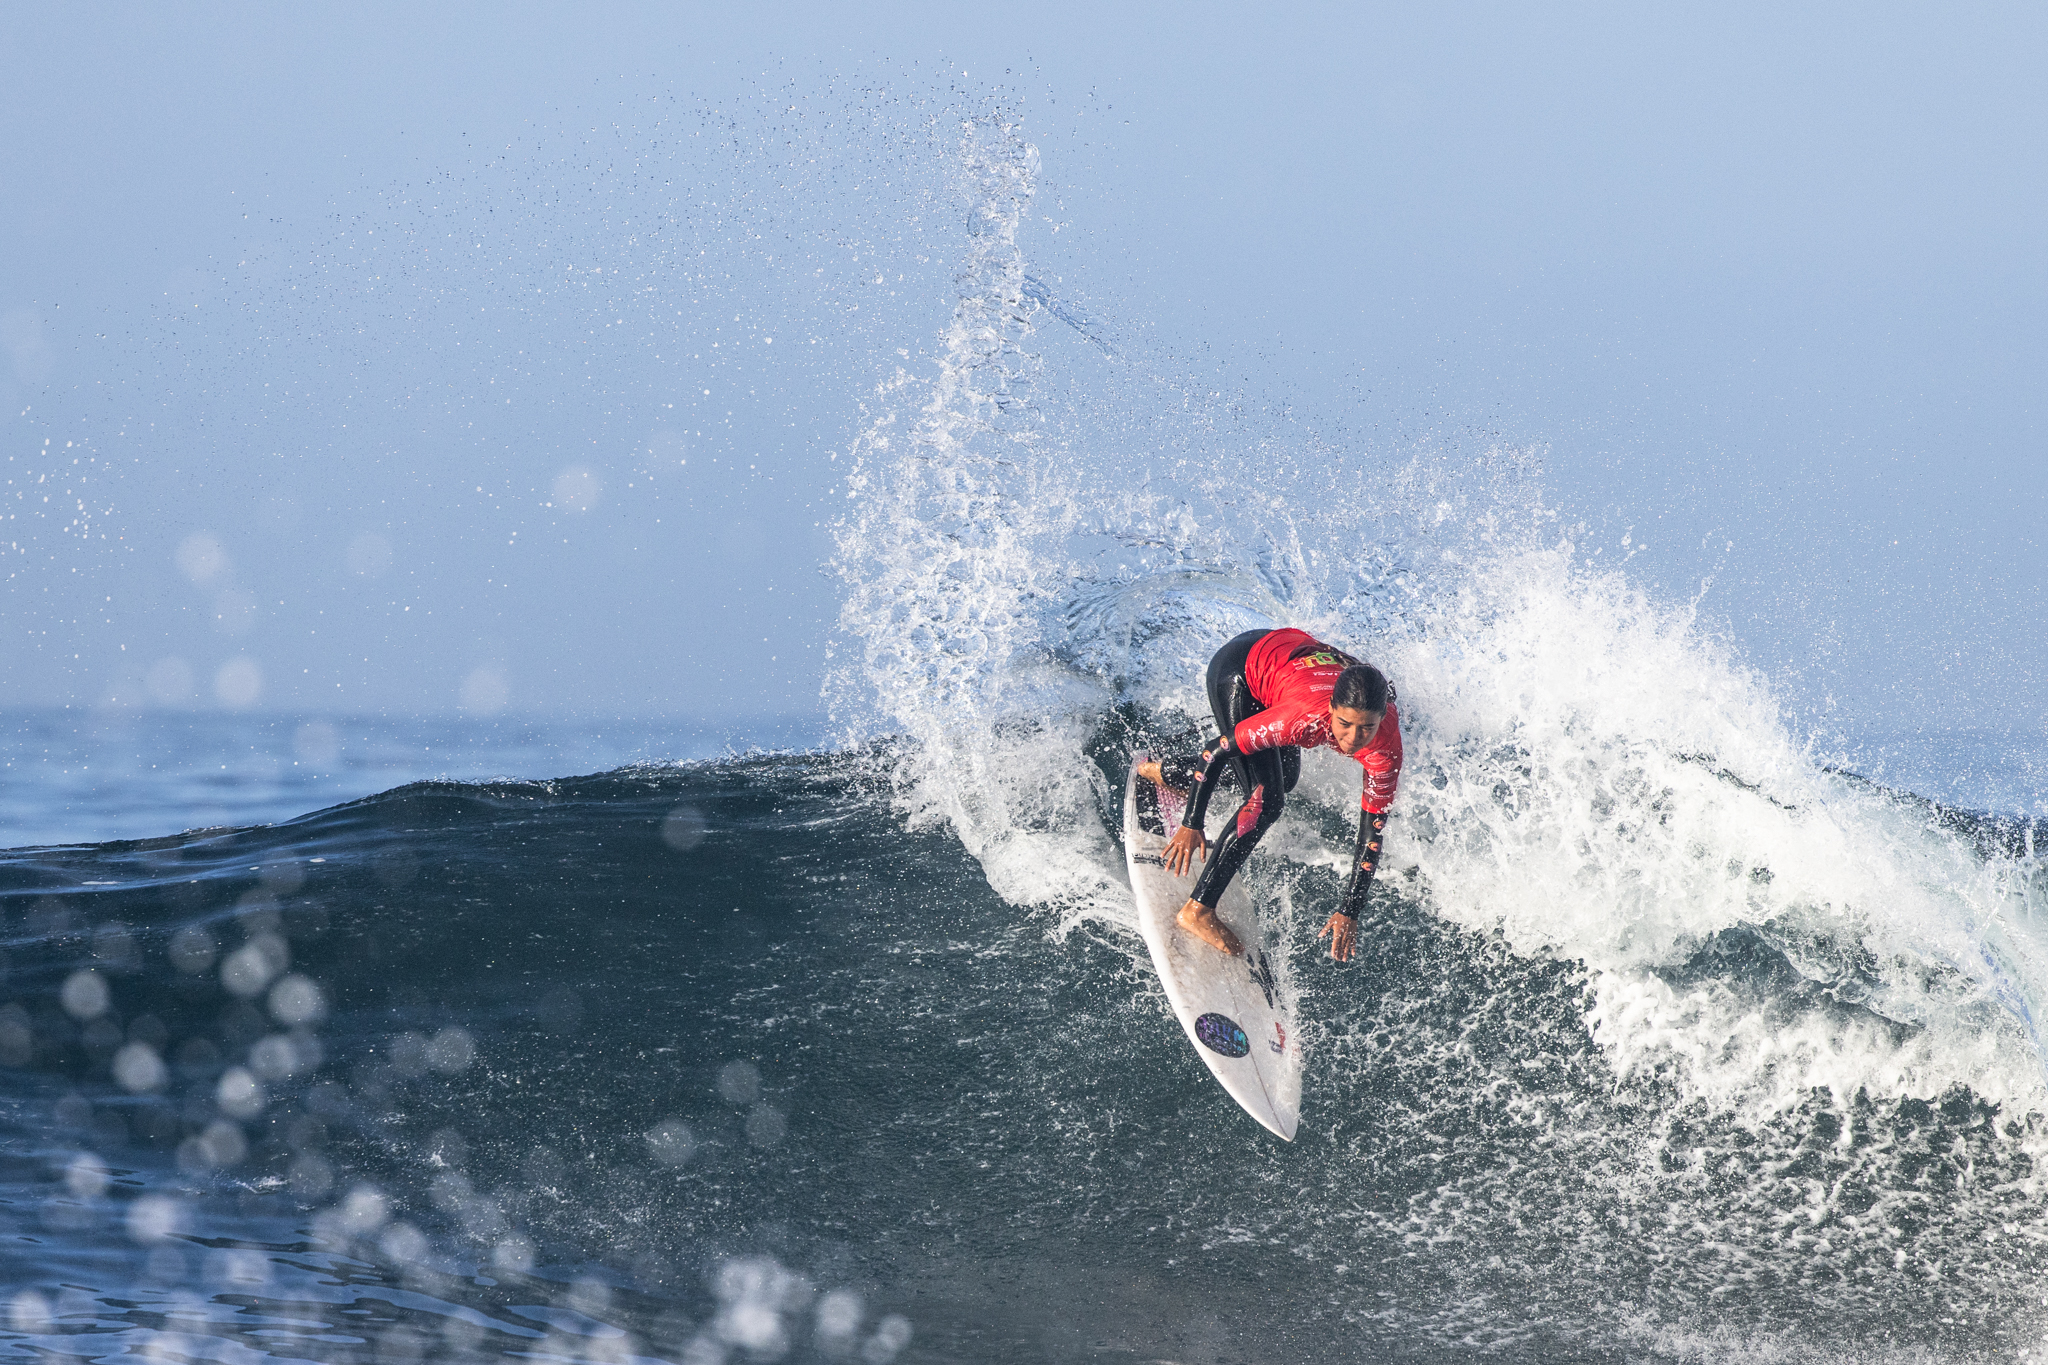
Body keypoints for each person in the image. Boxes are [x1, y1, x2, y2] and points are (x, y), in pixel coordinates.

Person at [1143, 627, 1401, 963]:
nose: (1353, 738)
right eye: (1345, 724)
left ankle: (1167, 772)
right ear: (1331, 708)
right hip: (1242, 670)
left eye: (1367, 727)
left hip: (1288, 665)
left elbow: (1372, 833)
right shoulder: (1301, 717)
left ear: (1382, 717)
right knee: (1266, 801)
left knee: (1283, 780)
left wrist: (1349, 910)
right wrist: (1192, 822)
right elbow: (1214, 751)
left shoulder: (1386, 751)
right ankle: (1197, 910)